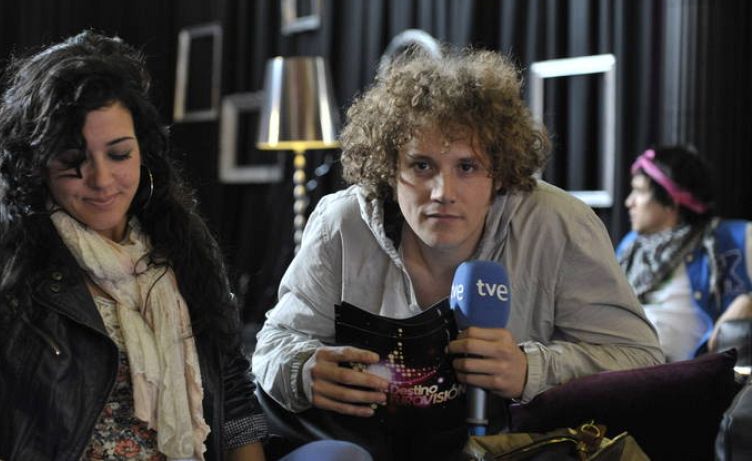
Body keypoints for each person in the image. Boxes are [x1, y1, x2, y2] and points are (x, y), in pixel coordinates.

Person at [0, 31, 372, 461]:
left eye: (119, 154)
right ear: (38, 162)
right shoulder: (0, 242)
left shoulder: (180, 239)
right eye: (73, 160)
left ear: (143, 151)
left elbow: (233, 388)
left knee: (341, 456)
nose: (101, 180)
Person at [252, 48, 664, 460]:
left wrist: (530, 370)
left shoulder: (559, 225)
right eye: (421, 166)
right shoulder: (342, 222)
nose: (442, 193)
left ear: (499, 172)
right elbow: (272, 346)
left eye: (466, 167)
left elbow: (641, 360)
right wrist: (302, 370)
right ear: (388, 168)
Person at [617, 145, 752, 362]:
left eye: (640, 191)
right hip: (623, 364)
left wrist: (747, 301)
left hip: (686, 374)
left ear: (671, 200)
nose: (629, 202)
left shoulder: (734, 238)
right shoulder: (630, 247)